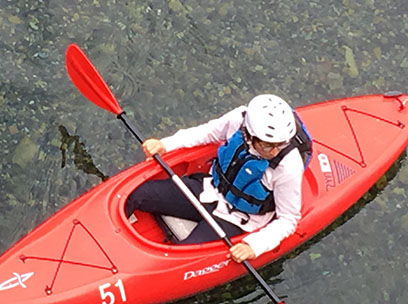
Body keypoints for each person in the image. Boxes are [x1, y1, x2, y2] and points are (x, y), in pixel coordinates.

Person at [124, 94, 310, 263]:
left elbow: (288, 220)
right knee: (137, 194)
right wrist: (165, 144)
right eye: (268, 146)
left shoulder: (288, 165)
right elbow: (207, 133)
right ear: (250, 134)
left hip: (238, 219)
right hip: (208, 189)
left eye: (280, 144)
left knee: (178, 258)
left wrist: (254, 246)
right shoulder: (239, 119)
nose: (275, 151)